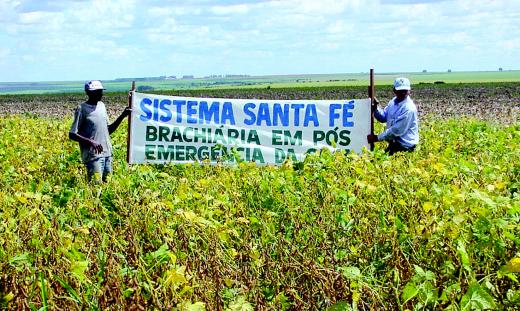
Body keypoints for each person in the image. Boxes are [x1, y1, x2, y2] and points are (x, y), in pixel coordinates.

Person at [69, 80, 131, 182]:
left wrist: (122, 116)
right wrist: (91, 141)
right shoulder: (82, 109)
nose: (100, 94)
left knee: (108, 186)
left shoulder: (102, 106)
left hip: (107, 154)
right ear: (88, 93)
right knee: (95, 186)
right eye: (97, 92)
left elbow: (108, 130)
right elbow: (72, 134)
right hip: (93, 156)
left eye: (100, 91)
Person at [367, 77, 419, 155]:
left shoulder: (409, 108)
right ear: (394, 90)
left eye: (405, 91)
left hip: (405, 146)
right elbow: (383, 117)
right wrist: (375, 108)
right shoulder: (393, 102)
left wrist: (377, 138)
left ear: (409, 91)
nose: (403, 93)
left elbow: (396, 130)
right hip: (395, 144)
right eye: (400, 91)